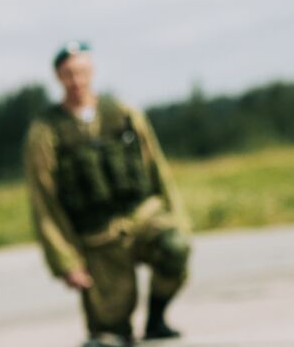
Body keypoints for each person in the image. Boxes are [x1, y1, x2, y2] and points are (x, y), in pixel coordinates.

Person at [23, 42, 190, 346]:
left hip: (143, 217)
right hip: (98, 237)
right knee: (109, 335)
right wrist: (65, 261)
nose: (77, 80)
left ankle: (156, 320)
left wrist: (177, 219)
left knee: (175, 247)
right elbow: (43, 201)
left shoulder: (123, 114)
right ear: (58, 77)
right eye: (69, 73)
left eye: (82, 71)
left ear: (92, 71)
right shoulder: (46, 131)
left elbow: (157, 168)